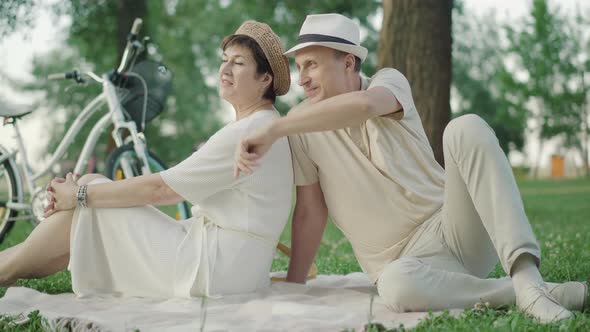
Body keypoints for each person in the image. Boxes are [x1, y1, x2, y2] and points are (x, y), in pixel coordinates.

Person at [234, 14, 587, 323]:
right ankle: (535, 293)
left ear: (348, 63)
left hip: (453, 229)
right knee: (397, 288)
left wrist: (275, 128)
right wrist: (294, 286)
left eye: (311, 64)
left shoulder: (388, 82)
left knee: (465, 127)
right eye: (299, 67)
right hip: (402, 267)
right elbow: (310, 211)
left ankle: (527, 277)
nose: (303, 79)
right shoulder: (300, 126)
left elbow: (364, 105)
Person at [0, 20, 293, 299]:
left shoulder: (248, 132)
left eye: (238, 62)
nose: (225, 68)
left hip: (212, 269)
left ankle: (5, 269)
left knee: (87, 194)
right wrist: (78, 197)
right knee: (85, 205)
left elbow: (162, 189)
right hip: (234, 267)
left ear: (265, 79)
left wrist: (77, 195)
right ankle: (6, 268)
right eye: (224, 59)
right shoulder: (265, 124)